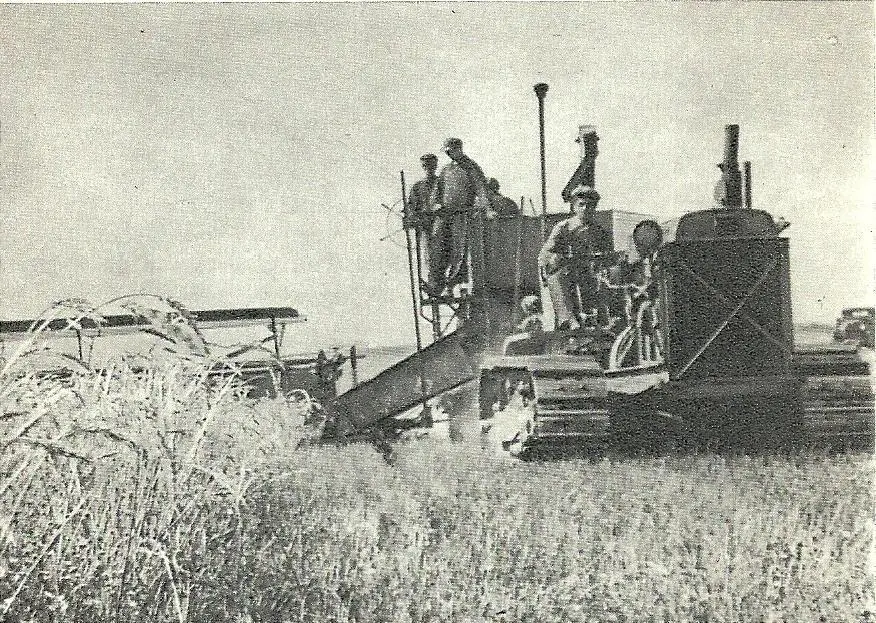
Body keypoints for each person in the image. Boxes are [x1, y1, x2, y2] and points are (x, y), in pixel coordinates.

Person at [538, 185, 612, 329]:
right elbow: (546, 253)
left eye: (590, 205)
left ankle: (604, 320)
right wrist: (557, 258)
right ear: (574, 207)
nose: (585, 208)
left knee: (606, 280)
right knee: (556, 278)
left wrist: (603, 262)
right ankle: (568, 319)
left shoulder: (600, 232)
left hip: (590, 273)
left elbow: (608, 256)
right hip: (568, 272)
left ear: (594, 208)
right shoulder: (563, 228)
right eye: (581, 205)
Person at [426, 138, 490, 296]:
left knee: (458, 251)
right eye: (446, 151)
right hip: (445, 215)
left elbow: (481, 189)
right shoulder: (446, 170)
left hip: (462, 216)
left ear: (458, 149)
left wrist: (487, 208)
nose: (448, 153)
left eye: (450, 150)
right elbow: (436, 193)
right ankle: (435, 285)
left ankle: (452, 285)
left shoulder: (471, 168)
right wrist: (436, 205)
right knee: (437, 246)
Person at [404, 153, 438, 231]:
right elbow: (411, 206)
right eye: (425, 166)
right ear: (423, 167)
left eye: (431, 166)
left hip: (439, 225)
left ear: (435, 166)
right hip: (423, 227)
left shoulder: (442, 183)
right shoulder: (417, 186)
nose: (428, 168)